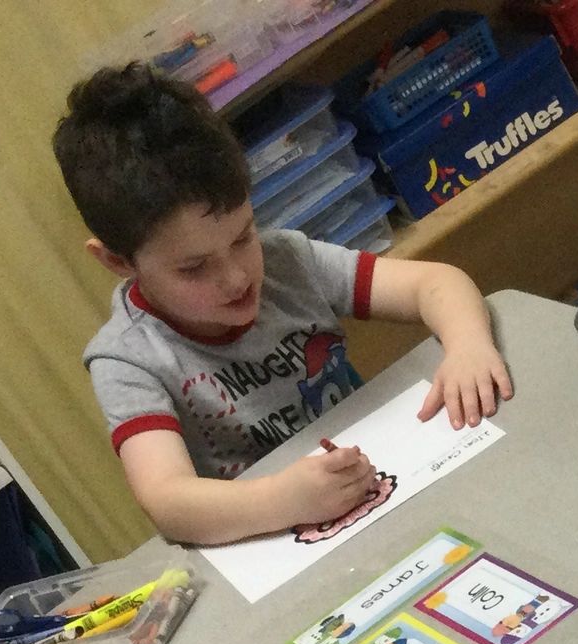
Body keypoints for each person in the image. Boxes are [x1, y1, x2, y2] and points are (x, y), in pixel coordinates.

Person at [55, 64, 512, 545]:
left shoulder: (288, 261)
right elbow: (168, 503)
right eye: (193, 268)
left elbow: (436, 283)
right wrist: (284, 498)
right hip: (273, 538)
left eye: (242, 237)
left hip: (380, 486)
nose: (235, 278)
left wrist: (467, 346)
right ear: (116, 260)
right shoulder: (128, 359)